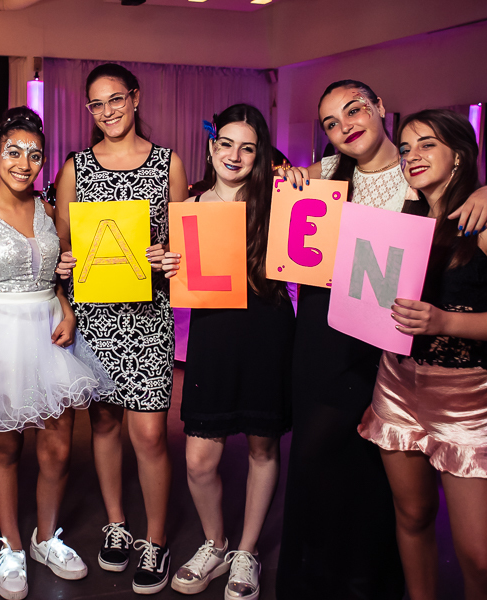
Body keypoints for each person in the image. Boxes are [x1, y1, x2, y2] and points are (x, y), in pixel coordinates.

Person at [276, 80, 487, 600]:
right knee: (319, 462)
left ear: (380, 106)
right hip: (328, 336)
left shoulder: (421, 180)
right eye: (331, 123)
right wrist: (289, 177)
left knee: (380, 484)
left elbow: (463, 199)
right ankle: (316, 581)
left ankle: (374, 582)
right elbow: (274, 207)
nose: (345, 126)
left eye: (355, 110)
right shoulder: (327, 174)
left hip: (397, 340)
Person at [0, 106, 111, 600]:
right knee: (6, 447)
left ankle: (45, 537)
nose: (24, 163)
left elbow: (52, 276)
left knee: (56, 446)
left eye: (34, 154)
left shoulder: (47, 209)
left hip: (49, 332)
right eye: (13, 151)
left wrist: (67, 308)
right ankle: (10, 546)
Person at [359, 109, 487, 600]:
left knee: (484, 560)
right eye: (408, 147)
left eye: (428, 145)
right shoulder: (404, 215)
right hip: (395, 383)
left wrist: (445, 321)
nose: (412, 156)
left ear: (459, 154)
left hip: (463, 393)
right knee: (412, 516)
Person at [54, 63, 189, 595]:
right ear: (88, 110)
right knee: (104, 424)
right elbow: (61, 246)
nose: (107, 111)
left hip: (149, 316)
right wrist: (63, 270)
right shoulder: (75, 167)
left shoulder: (168, 163)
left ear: (134, 99)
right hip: (94, 316)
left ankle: (156, 540)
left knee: (151, 433)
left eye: (115, 99)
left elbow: (185, 246)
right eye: (96, 104)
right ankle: (116, 522)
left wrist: (167, 256)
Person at [160, 104, 293, 599]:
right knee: (199, 459)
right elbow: (179, 271)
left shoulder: (279, 199)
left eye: (248, 147)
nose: (235, 155)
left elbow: (340, 179)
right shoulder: (191, 205)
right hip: (214, 337)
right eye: (227, 144)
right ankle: (215, 542)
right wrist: (166, 262)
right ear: (212, 147)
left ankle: (247, 551)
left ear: (260, 155)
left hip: (268, 332)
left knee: (263, 446)